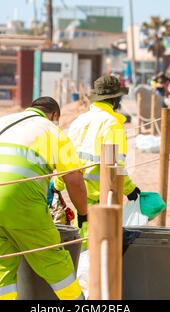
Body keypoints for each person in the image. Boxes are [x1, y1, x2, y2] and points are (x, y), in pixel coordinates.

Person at [0, 97, 88, 300]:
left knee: (0, 266)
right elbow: (74, 180)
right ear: (54, 116)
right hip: (21, 206)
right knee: (54, 261)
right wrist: (83, 214)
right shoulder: (51, 131)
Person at [50, 75, 141, 227]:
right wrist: (131, 191)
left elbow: (66, 161)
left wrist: (56, 185)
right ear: (115, 100)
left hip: (77, 198)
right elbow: (114, 166)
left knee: (81, 246)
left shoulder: (78, 122)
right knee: (99, 247)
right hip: (102, 200)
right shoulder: (112, 125)